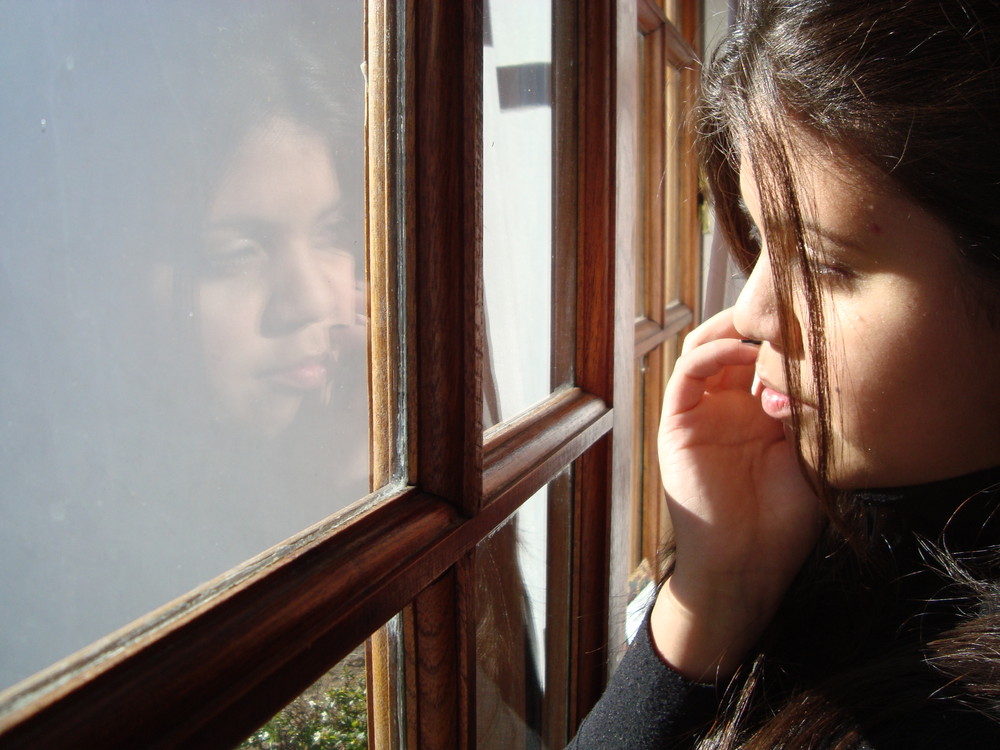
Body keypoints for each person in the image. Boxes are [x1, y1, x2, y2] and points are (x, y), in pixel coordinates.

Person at [569, 0, 1000, 747]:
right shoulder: (856, 533)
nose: (751, 313)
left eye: (828, 265)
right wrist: (717, 590)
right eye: (759, 241)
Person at [0, 2, 368, 691]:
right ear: (98, 282)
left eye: (331, 231)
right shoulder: (78, 572)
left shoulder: (329, 450)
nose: (314, 298)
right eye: (234, 253)